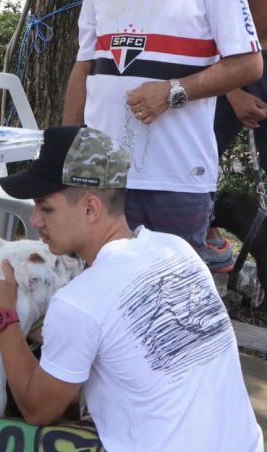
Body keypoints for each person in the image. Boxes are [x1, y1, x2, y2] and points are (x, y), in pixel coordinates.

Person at [0, 126, 263, 452]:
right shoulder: (177, 250)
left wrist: (2, 316)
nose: (35, 221)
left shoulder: (82, 300)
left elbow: (38, 411)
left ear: (91, 207)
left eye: (45, 207)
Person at [62, 0, 263, 261]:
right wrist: (65, 155)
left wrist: (173, 92)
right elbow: (83, 67)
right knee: (98, 286)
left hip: (176, 178)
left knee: (174, 293)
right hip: (101, 176)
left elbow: (248, 64)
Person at [206, 0, 267, 272]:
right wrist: (231, 92)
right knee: (198, 154)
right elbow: (201, 27)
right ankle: (203, 236)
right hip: (228, 63)